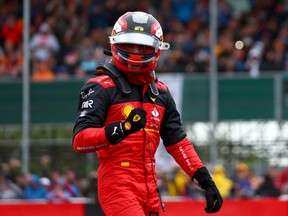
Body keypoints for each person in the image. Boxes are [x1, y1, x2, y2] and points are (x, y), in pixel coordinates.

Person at [72, 11, 223, 216]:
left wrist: (204, 178)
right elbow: (80, 141)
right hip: (117, 184)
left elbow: (178, 142)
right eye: (130, 45)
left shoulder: (161, 92)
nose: (135, 52)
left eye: (142, 46)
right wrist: (123, 128)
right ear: (115, 44)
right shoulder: (100, 87)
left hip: (151, 185)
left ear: (156, 48)